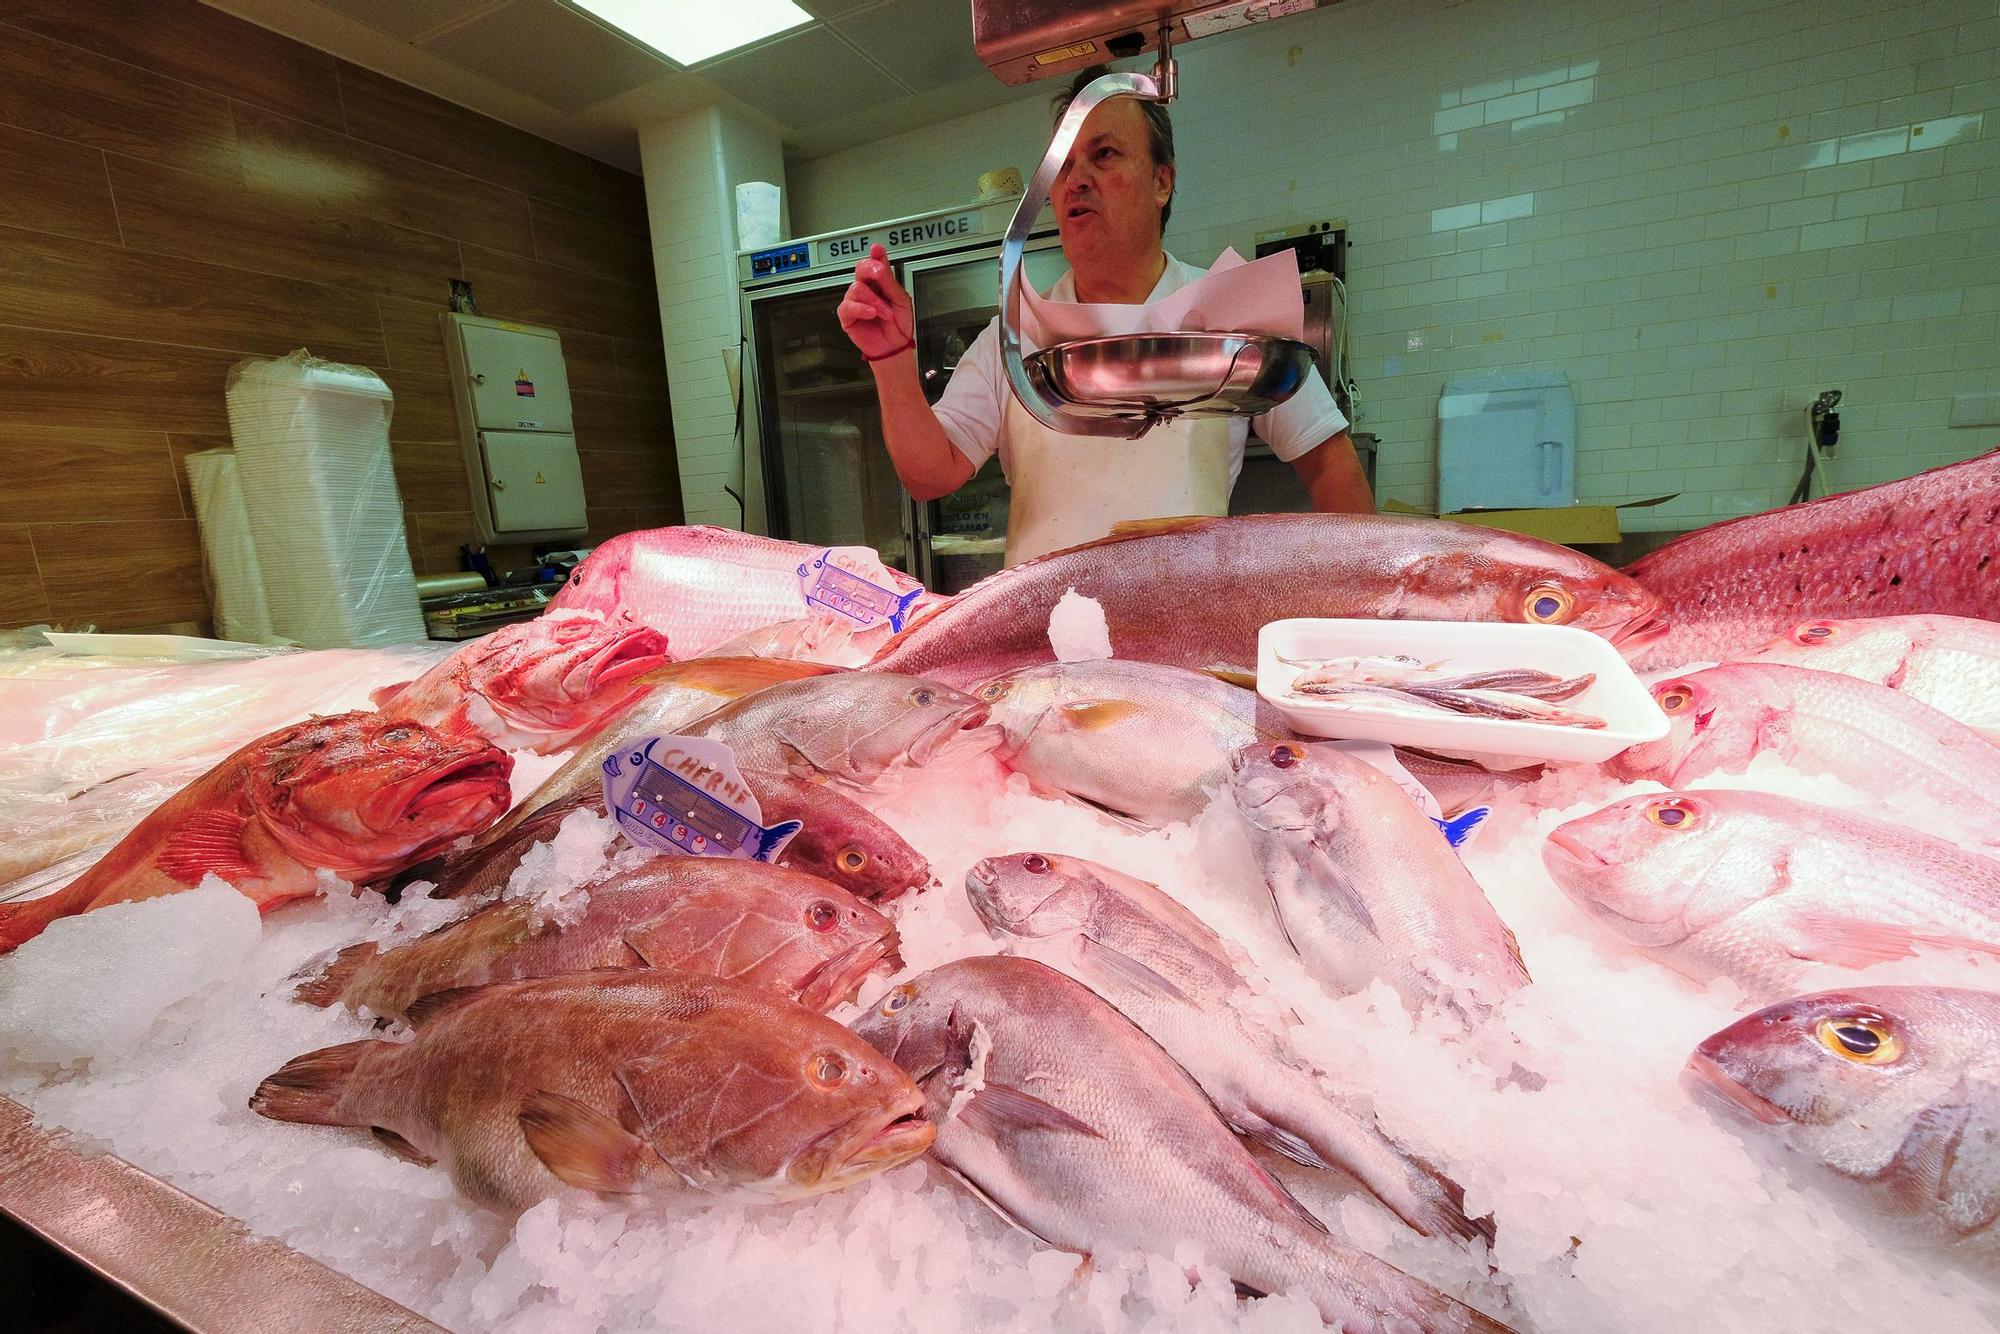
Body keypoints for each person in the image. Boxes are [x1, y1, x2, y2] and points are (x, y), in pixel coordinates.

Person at [837, 66, 1374, 566]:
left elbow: (1329, 463)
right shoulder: (1016, 330)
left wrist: (1357, 606)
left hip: (1180, 640)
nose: (1077, 180)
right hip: (1044, 642)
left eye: (1105, 155)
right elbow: (931, 472)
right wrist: (889, 359)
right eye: (1064, 166)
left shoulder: (1231, 308)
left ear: (1162, 181)